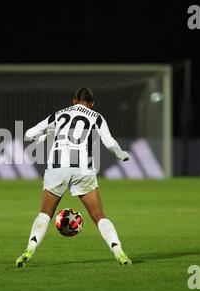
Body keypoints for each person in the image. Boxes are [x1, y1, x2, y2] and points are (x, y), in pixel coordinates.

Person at [15, 88, 132, 268]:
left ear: (73, 101)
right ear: (91, 104)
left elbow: (29, 134)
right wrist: (122, 155)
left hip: (57, 168)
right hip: (82, 170)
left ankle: (29, 249)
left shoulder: (59, 114)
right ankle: (118, 251)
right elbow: (109, 143)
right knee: (99, 216)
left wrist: (45, 136)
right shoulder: (96, 116)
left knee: (45, 213)